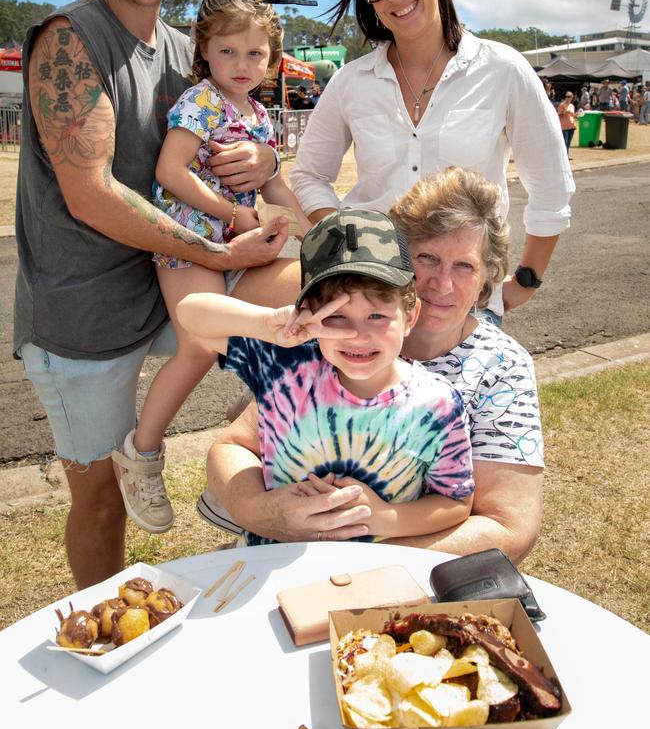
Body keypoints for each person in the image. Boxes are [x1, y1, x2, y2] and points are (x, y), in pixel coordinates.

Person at [13, 0, 293, 588]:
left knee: (306, 323)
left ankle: (243, 468)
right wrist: (219, 238)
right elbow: (92, 194)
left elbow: (229, 123)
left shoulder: (186, 48)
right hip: (85, 305)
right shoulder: (71, 40)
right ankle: (103, 634)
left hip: (165, 281)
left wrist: (264, 157)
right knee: (101, 500)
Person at [198, 167, 544, 563]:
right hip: (283, 556)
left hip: (400, 580)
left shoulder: (500, 368)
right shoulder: (330, 329)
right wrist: (261, 514)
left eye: (464, 266)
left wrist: (354, 562)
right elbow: (235, 444)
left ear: (486, 277)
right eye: (426, 258)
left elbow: (508, 528)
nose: (442, 284)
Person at [290, 0, 574, 323]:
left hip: (462, 304)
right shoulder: (350, 82)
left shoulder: (502, 69)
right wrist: (346, 237)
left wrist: (526, 280)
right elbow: (308, 175)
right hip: (371, 302)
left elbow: (551, 186)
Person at [111, 0, 312, 534]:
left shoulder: (259, 117)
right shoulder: (200, 101)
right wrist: (230, 216)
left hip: (242, 246)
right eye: (227, 51)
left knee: (313, 302)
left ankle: (254, 415)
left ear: (271, 59)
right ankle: (142, 453)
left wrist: (308, 224)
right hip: (192, 243)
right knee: (200, 345)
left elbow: (274, 188)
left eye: (255, 53)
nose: (241, 63)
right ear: (204, 51)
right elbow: (169, 172)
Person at [180, 208, 474, 545]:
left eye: (377, 315)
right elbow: (190, 314)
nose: (357, 335)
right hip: (271, 566)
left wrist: (382, 518)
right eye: (336, 317)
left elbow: (455, 501)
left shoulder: (438, 405)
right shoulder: (286, 366)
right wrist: (267, 324)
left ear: (410, 315)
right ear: (308, 313)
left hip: (371, 579)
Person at [556, 89, 577, 156]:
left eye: (570, 97)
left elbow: (573, 115)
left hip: (571, 125)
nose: (568, 98)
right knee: (565, 142)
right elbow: (558, 114)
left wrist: (576, 115)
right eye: (567, 96)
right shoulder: (562, 105)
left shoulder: (572, 106)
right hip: (564, 126)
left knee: (569, 142)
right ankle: (565, 156)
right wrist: (564, 112)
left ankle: (567, 154)